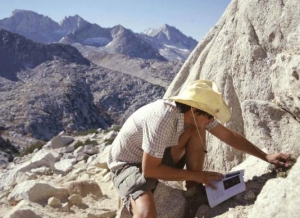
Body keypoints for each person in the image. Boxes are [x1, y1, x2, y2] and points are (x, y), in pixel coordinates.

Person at [107, 80, 291, 218]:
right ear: (195, 110)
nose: (212, 121)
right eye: (210, 116)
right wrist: (198, 175)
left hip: (155, 156)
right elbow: (149, 169)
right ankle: (187, 184)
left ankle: (193, 193)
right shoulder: (163, 118)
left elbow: (227, 135)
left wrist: (265, 156)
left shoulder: (192, 116)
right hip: (128, 164)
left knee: (198, 129)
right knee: (147, 213)